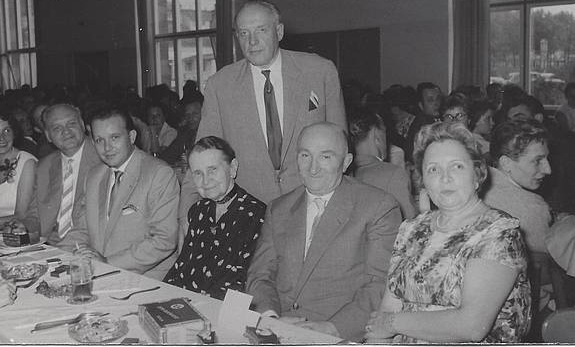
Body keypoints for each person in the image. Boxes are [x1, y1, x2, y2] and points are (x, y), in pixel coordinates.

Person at [365, 122, 531, 343]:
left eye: (457, 167)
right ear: (423, 180)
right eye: (433, 169)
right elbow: (388, 308)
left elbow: (471, 326)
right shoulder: (412, 229)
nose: (445, 178)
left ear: (478, 174)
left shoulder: (499, 233)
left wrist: (390, 324)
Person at [246, 122, 401, 342]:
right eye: (305, 156)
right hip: (278, 329)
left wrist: (331, 329)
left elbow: (381, 285)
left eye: (325, 157)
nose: (313, 168)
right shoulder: (278, 208)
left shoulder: (378, 207)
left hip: (337, 335)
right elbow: (260, 275)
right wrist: (271, 318)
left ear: (346, 162)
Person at [194, 0, 347, 204]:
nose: (252, 41)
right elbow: (203, 154)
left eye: (261, 30)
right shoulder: (219, 85)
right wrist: (188, 210)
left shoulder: (320, 71)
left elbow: (340, 145)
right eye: (244, 33)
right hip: (248, 208)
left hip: (313, 200)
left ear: (279, 31)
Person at [60, 106, 179, 280]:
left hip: (146, 278)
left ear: (131, 137)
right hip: (99, 272)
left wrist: (108, 263)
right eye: (100, 140)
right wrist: (52, 255)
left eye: (114, 138)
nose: (107, 147)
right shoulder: (94, 176)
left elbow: (163, 240)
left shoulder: (158, 173)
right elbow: (83, 229)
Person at [164, 136, 266, 300]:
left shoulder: (256, 215)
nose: (205, 180)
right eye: (198, 173)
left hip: (225, 310)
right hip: (187, 304)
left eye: (212, 170)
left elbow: (247, 283)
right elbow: (181, 268)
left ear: (232, 168)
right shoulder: (198, 211)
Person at [37, 104, 102, 245]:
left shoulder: (104, 156)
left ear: (83, 125)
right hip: (51, 246)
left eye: (71, 123)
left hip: (92, 244)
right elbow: (33, 213)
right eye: (57, 128)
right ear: (48, 136)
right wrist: (45, 235)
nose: (66, 132)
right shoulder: (43, 166)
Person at [484, 119, 552, 254]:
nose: (548, 169)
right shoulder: (533, 208)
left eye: (546, 159)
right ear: (506, 163)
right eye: (537, 161)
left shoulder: (475, 185)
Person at [349, 108, 417, 220]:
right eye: (385, 132)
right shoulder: (393, 174)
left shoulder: (345, 174)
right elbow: (411, 224)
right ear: (377, 136)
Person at [0, 109, 39, 240]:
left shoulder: (27, 162)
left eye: (6, 131)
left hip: (15, 236)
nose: (2, 138)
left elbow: (21, 215)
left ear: (14, 133)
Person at [405, 82, 441, 160]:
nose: (436, 103)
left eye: (438, 99)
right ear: (421, 105)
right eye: (430, 100)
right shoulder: (422, 127)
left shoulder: (439, 119)